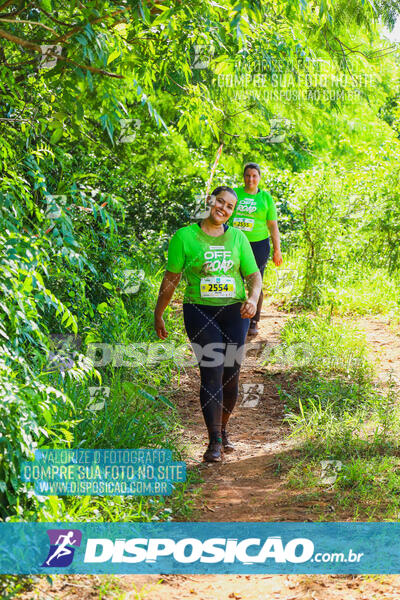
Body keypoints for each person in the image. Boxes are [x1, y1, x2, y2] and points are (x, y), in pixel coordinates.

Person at [154, 186, 262, 462]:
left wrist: (252, 298)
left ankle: (223, 428)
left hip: (234, 313)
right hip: (199, 311)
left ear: (232, 212)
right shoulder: (184, 237)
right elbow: (171, 279)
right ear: (209, 202)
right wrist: (159, 313)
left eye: (229, 207)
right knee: (211, 372)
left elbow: (254, 276)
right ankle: (213, 440)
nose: (223, 209)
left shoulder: (238, 237)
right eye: (220, 203)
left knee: (231, 375)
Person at [230, 162, 283, 336]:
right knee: (234, 281)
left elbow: (273, 226)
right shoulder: (235, 194)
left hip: (258, 245)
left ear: (259, 178)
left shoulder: (266, 198)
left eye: (254, 176)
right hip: (235, 243)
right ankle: (234, 317)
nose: (251, 179)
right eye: (247, 175)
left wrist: (277, 250)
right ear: (243, 177)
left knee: (255, 281)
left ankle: (254, 320)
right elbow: (220, 211)